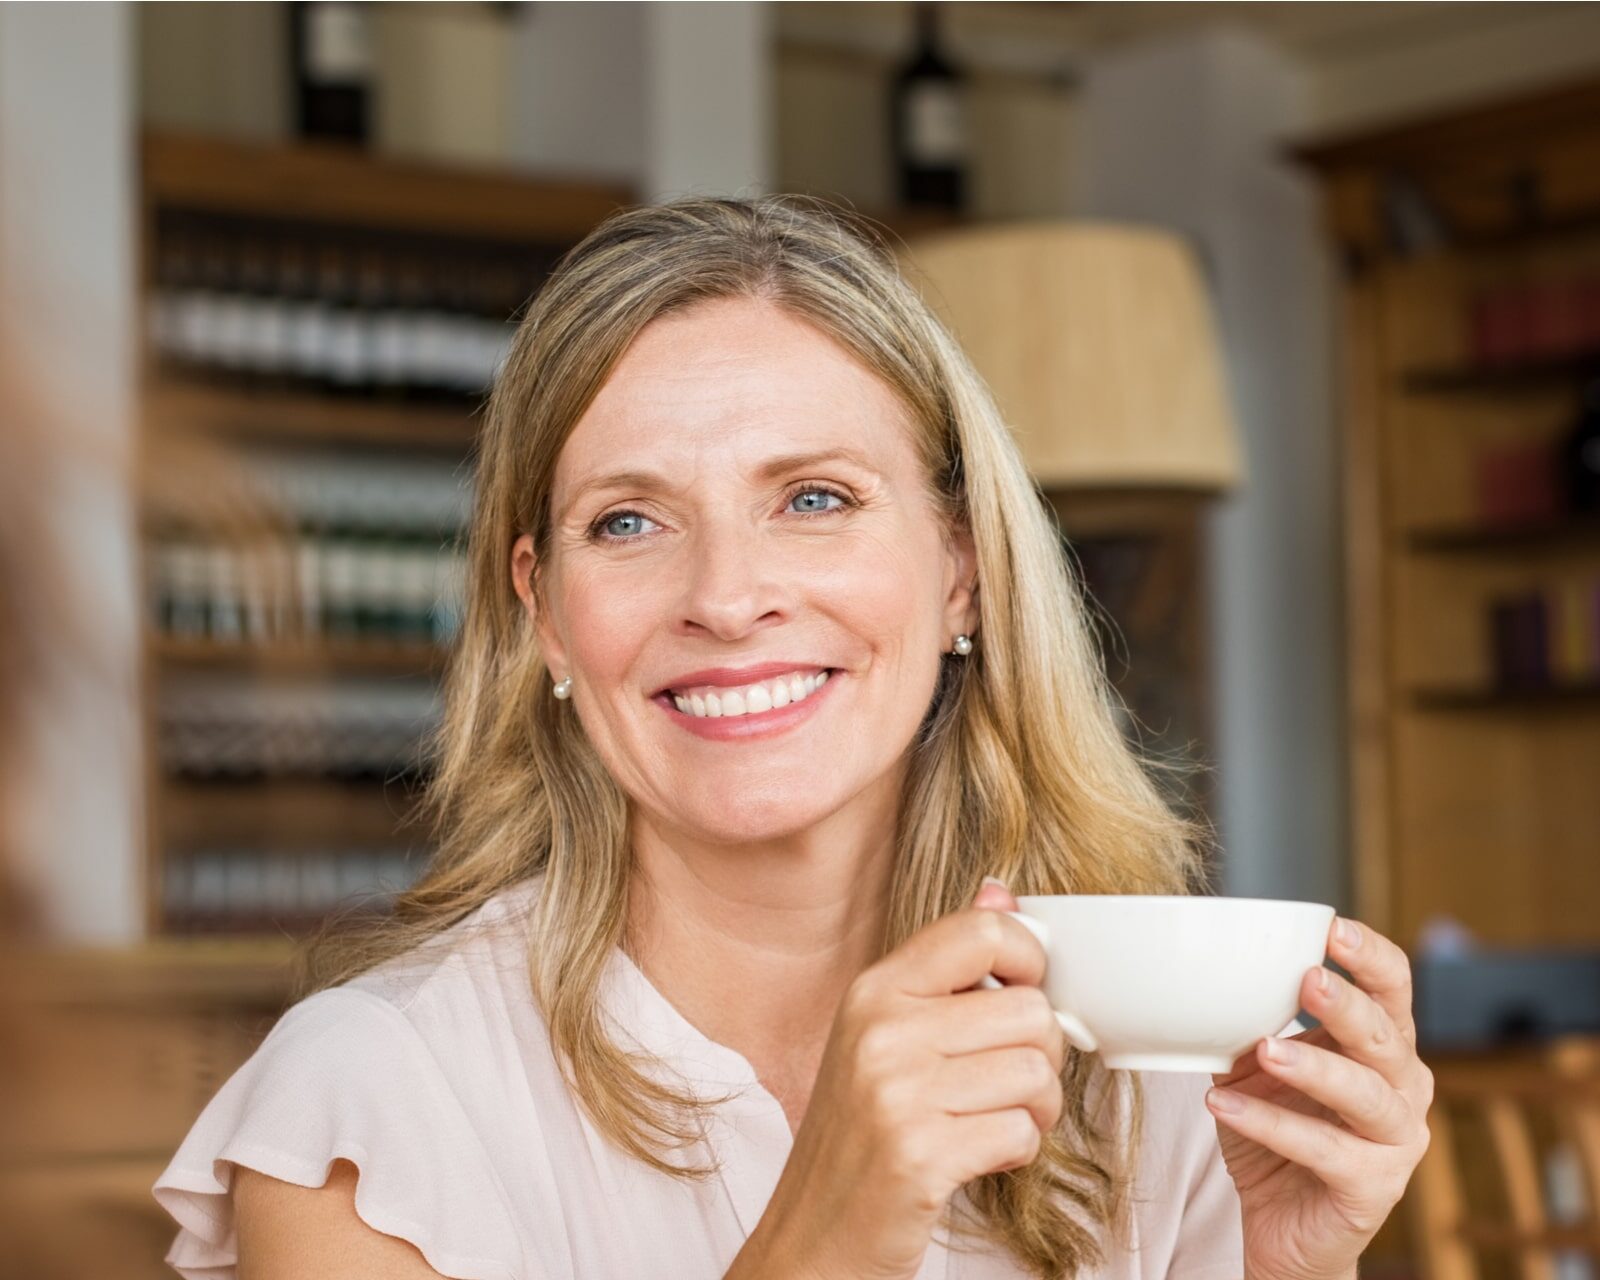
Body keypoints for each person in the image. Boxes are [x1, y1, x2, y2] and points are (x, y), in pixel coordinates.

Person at [152, 195, 1432, 1280]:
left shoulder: (1150, 1070)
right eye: (628, 521)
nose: (725, 595)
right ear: (541, 612)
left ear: (960, 573)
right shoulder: (369, 1107)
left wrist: (1294, 1267)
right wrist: (826, 1234)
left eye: (813, 498)